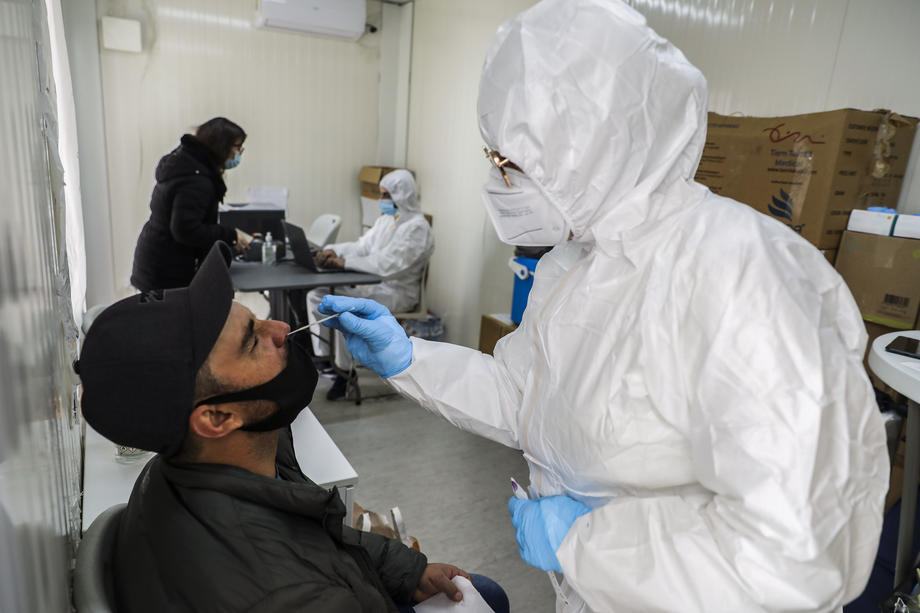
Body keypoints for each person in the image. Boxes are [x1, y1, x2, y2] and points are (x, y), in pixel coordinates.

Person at [316, 1, 890, 611]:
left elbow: (801, 553)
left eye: (511, 163)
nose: (499, 183)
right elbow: (526, 398)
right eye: (495, 159)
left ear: (594, 149)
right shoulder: (574, 263)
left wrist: (588, 542)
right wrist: (411, 361)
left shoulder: (745, 276)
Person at [75, 242, 508, 613]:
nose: (281, 328)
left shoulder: (217, 458)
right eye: (252, 340)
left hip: (343, 582)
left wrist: (409, 570)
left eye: (257, 318)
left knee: (483, 590)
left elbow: (319, 535)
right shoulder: (285, 597)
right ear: (216, 418)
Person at [307, 169, 434, 400]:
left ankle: (345, 373)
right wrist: (333, 251)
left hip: (398, 292)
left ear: (401, 196)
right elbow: (362, 247)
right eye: (382, 194)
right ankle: (326, 359)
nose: (381, 200)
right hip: (373, 286)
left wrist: (343, 263)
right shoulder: (386, 220)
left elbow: (389, 265)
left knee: (343, 308)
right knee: (318, 294)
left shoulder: (417, 228)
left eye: (386, 195)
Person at [131, 116, 252, 292]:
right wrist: (230, 235)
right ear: (221, 146)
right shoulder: (196, 180)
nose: (240, 152)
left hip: (156, 262)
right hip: (167, 271)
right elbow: (186, 230)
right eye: (237, 147)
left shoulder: (185, 164)